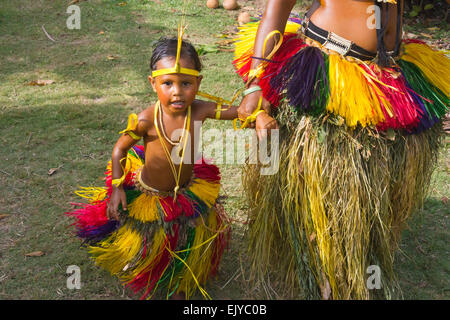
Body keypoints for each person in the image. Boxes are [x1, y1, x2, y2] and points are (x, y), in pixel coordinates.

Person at [233, 0, 448, 299]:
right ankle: (328, 277)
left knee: (373, 194)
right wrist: (254, 85)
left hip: (385, 77)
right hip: (329, 74)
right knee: (326, 194)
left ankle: (361, 260)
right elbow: (276, 8)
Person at [66, 35, 241, 300]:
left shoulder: (200, 110)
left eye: (186, 83)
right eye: (167, 83)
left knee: (185, 234)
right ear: (153, 83)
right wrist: (116, 188)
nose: (177, 91)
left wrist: (257, 112)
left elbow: (239, 112)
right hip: (151, 192)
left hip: (186, 189)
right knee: (153, 235)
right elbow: (119, 150)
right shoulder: (146, 120)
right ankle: (148, 265)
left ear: (198, 83)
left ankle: (179, 280)